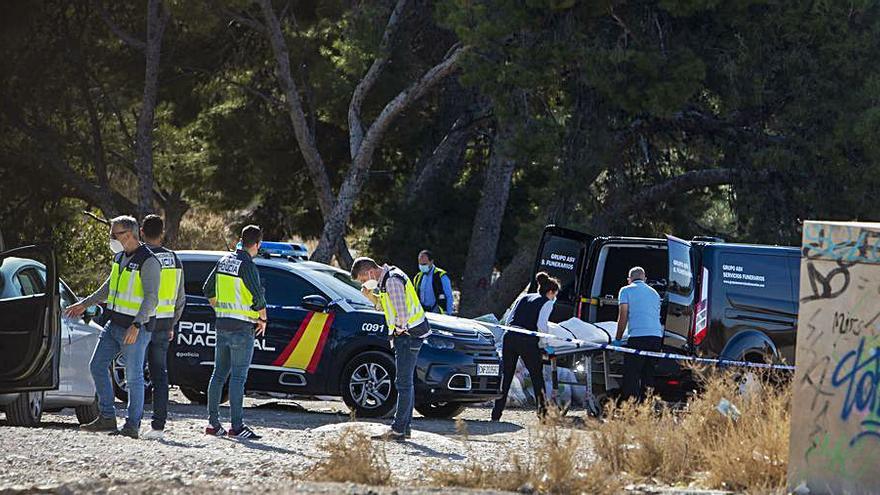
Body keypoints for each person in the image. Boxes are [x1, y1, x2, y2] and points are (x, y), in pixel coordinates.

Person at [64, 215, 160, 438]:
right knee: (97, 365)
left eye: (114, 234)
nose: (111, 238)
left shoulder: (149, 261)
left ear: (128, 235)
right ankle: (107, 418)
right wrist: (83, 304)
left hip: (135, 328)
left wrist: (136, 325)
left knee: (133, 377)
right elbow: (107, 288)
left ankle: (132, 425)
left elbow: (151, 299)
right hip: (114, 323)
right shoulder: (119, 257)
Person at [351, 257, 430, 441]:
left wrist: (399, 330)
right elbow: (389, 306)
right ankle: (405, 428)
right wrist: (372, 298)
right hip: (412, 333)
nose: (364, 283)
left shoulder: (392, 280)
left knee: (403, 383)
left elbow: (401, 313)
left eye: (363, 279)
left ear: (370, 272)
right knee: (406, 382)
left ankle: (398, 429)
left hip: (407, 336)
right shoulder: (390, 278)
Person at [202, 225, 267, 439]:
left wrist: (219, 308)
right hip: (242, 328)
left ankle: (213, 424)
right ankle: (237, 427)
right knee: (238, 378)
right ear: (257, 244)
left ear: (241, 240)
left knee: (218, 374)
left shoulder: (224, 260)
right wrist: (263, 319)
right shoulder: (247, 265)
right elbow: (258, 297)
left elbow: (207, 288)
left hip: (222, 325)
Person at [139, 215, 185, 440]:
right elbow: (180, 298)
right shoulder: (174, 258)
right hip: (164, 324)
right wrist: (173, 323)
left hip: (141, 323)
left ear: (141, 232)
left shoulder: (139, 257)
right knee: (159, 375)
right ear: (162, 233)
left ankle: (133, 420)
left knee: (135, 373)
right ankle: (158, 424)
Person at [491, 272, 558, 422]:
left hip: (510, 336)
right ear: (551, 292)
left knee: (507, 376)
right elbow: (542, 325)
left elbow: (509, 318)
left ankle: (496, 414)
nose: (554, 298)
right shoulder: (546, 302)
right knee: (537, 377)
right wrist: (545, 344)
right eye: (554, 295)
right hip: (527, 340)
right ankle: (543, 415)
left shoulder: (523, 297)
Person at [613, 266, 663, 402]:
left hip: (638, 338)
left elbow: (623, 316)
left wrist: (617, 339)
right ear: (644, 279)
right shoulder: (654, 293)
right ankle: (647, 406)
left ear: (629, 279)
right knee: (648, 374)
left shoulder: (625, 290)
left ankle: (631, 407)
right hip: (656, 337)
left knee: (632, 374)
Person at [412, 249, 454, 314]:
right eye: (420, 264)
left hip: (438, 313)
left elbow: (449, 297)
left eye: (424, 264)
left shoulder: (441, 276)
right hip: (422, 313)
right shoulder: (418, 277)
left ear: (431, 262)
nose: (422, 266)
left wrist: (448, 314)